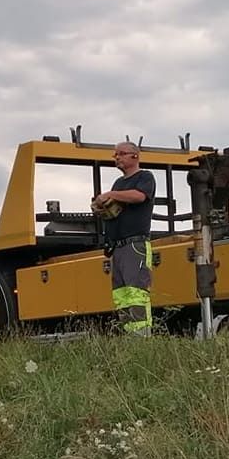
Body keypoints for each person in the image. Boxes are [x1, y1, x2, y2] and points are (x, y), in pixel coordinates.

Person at [90, 141, 156, 335]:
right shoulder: (119, 183)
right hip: (118, 247)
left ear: (135, 156)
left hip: (135, 245)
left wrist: (111, 194)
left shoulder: (145, 177)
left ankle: (141, 337)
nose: (117, 157)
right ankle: (129, 335)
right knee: (122, 294)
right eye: (115, 155)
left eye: (121, 154)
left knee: (136, 292)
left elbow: (139, 196)